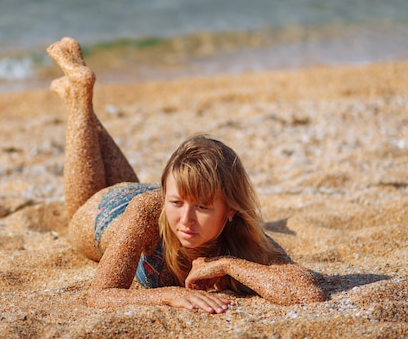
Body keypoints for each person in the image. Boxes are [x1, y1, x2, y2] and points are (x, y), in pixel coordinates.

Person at [47, 37, 325, 313]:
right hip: (108, 212)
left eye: (202, 207)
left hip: (174, 189)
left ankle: (81, 94)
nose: (186, 221)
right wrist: (169, 295)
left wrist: (226, 264)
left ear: (230, 209)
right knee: (75, 216)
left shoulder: (241, 232)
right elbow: (101, 295)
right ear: (165, 194)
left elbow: (306, 292)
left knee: (131, 186)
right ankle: (80, 99)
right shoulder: (147, 211)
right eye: (177, 205)